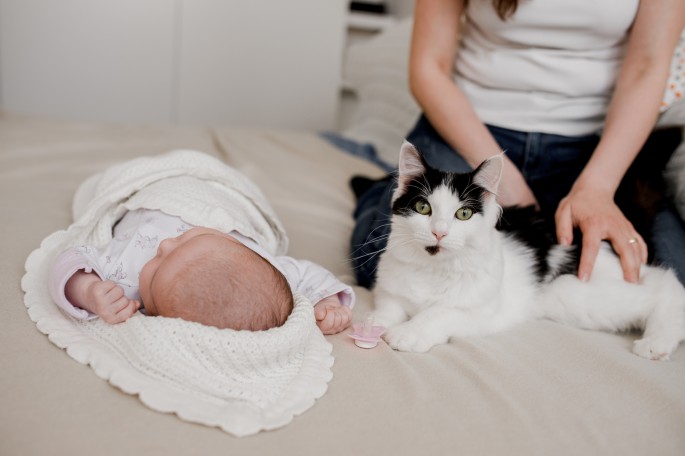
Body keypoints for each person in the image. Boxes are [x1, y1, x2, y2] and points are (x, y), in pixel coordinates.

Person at [350, 0, 685, 288]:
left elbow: (648, 66)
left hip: (589, 151)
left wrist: (597, 188)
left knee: (669, 274)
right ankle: (390, 191)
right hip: (469, 139)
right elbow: (428, 67)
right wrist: (502, 182)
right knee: (378, 266)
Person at [50, 153, 354, 335]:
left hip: (153, 190)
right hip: (215, 192)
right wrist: (326, 302)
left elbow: (70, 260)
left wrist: (88, 291)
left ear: (152, 310)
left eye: (156, 271)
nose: (165, 245)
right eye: (192, 238)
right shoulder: (264, 265)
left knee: (109, 181)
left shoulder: (125, 282)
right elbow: (310, 276)